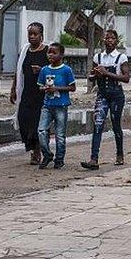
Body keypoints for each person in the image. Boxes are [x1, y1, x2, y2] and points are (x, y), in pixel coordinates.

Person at [81, 30, 130, 170]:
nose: (109, 40)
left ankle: (120, 154)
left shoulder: (121, 57)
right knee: (97, 124)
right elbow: (91, 77)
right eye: (107, 38)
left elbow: (126, 78)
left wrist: (106, 73)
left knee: (116, 125)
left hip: (116, 95)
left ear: (116, 41)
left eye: (112, 38)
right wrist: (95, 74)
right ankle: (93, 159)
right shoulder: (98, 57)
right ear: (103, 40)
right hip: (102, 94)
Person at [10, 22, 49, 165]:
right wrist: (13, 88)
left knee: (37, 123)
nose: (32, 36)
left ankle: (37, 151)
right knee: (23, 120)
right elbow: (18, 71)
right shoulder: (25, 51)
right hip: (26, 92)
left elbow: (53, 70)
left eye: (35, 34)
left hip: (41, 94)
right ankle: (32, 147)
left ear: (41, 35)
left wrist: (42, 71)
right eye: (30, 34)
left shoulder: (47, 51)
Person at [36, 42, 77, 170]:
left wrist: (56, 88)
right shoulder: (44, 70)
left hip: (61, 105)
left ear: (61, 55)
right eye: (49, 52)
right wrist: (44, 88)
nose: (51, 55)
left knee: (60, 135)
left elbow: (72, 87)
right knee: (42, 131)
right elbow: (39, 85)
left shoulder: (66, 70)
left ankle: (59, 159)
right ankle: (47, 154)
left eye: (54, 52)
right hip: (47, 105)